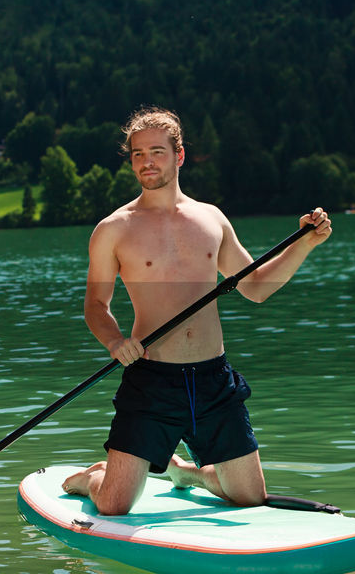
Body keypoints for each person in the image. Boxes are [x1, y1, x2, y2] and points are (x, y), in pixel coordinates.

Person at [62, 107, 331, 515]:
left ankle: (187, 474)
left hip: (213, 379)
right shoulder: (114, 229)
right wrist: (115, 341)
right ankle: (93, 479)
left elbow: (256, 288)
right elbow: (95, 306)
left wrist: (304, 245)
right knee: (114, 505)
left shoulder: (211, 219)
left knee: (249, 498)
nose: (146, 162)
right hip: (151, 381)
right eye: (137, 154)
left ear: (179, 156)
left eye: (156, 151)